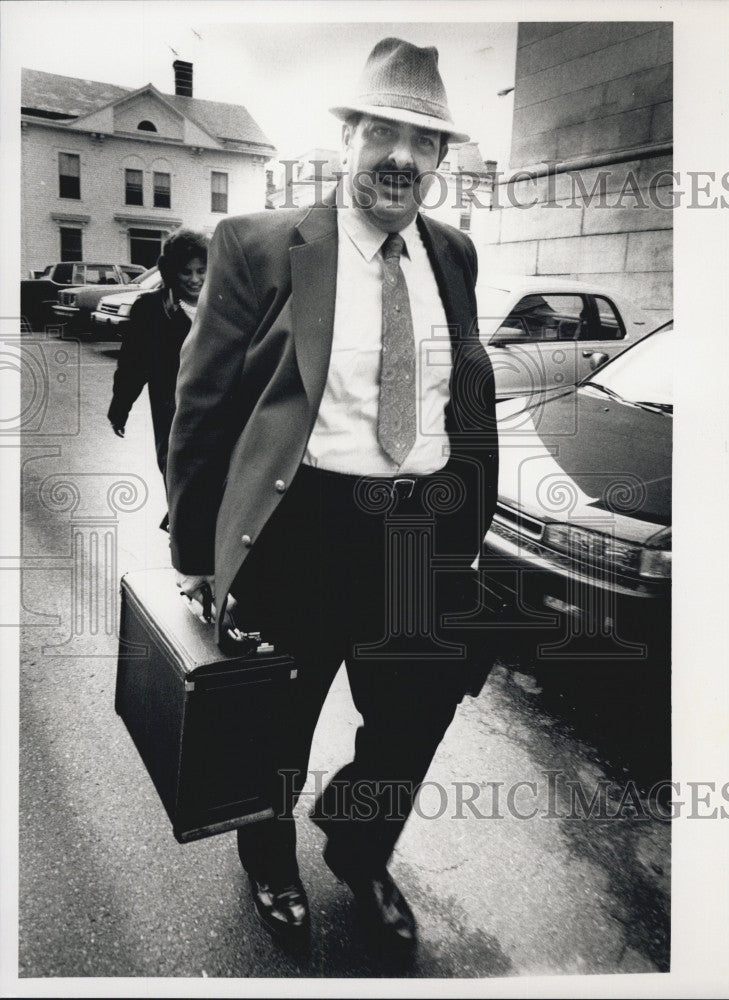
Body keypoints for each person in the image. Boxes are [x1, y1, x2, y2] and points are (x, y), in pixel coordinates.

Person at [167, 38, 498, 954]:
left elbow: (460, 392)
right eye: (381, 132)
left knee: (414, 717)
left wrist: (466, 530)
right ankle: (268, 858)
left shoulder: (454, 255)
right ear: (347, 139)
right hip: (301, 524)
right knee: (278, 718)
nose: (401, 156)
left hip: (419, 533)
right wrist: (195, 552)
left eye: (422, 140)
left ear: (438, 160)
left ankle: (357, 845)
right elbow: (201, 410)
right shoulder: (259, 245)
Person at [107, 228, 209, 483]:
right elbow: (132, 364)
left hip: (215, 414)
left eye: (201, 270)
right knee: (176, 476)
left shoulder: (222, 305)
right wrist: (120, 407)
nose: (195, 279)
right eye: (186, 271)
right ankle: (178, 520)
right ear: (172, 271)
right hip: (172, 413)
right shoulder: (150, 309)